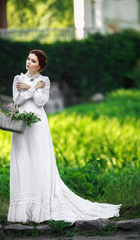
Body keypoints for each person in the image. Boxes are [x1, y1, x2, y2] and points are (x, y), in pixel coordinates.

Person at [7, 49, 121, 224]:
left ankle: (41, 207)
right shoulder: (17, 79)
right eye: (28, 59)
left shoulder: (44, 81)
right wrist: (31, 88)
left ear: (40, 66)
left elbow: (41, 102)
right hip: (22, 124)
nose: (28, 62)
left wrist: (29, 88)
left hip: (38, 124)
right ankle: (24, 211)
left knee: (39, 161)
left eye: (33, 61)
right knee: (23, 161)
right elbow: (17, 101)